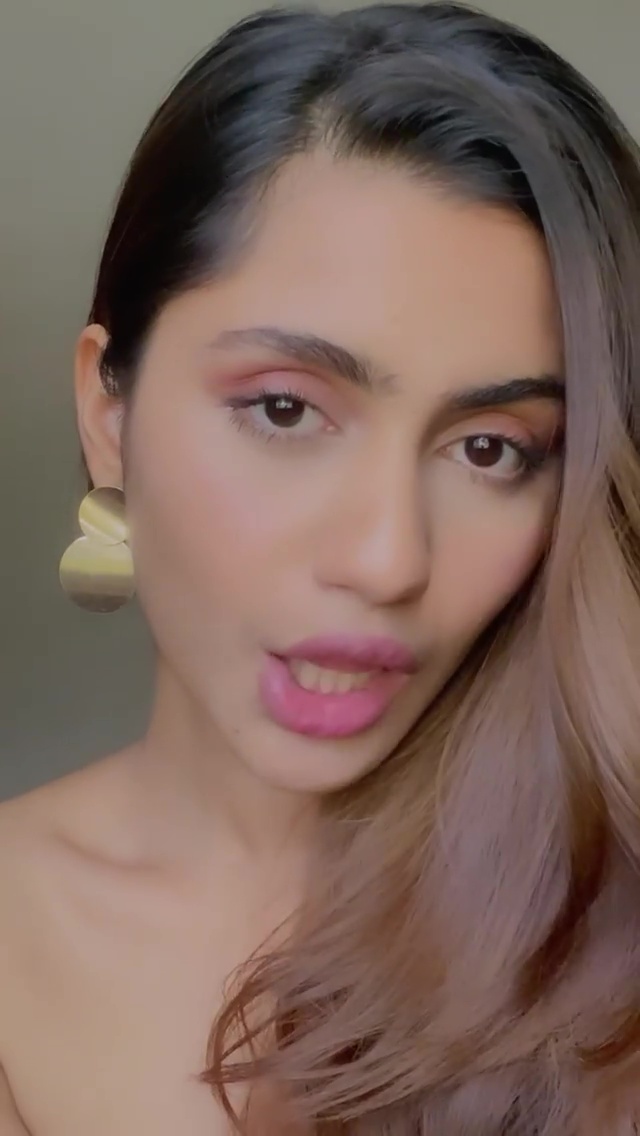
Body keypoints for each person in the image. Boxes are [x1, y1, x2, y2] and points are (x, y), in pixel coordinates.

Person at [1, 1, 640, 1132]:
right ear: (109, 411)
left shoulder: (607, 949)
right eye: (286, 409)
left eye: (491, 449)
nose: (387, 558)